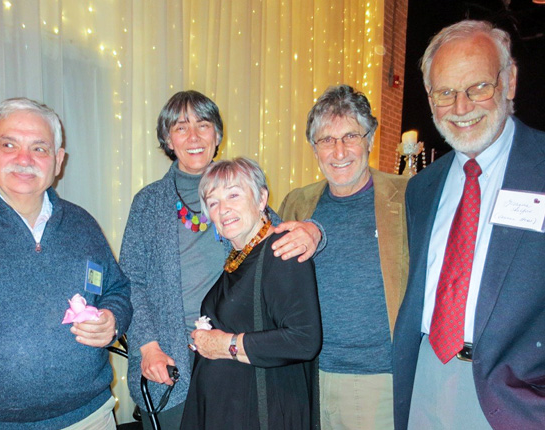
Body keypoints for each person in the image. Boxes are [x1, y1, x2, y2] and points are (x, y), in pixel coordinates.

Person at [119, 90, 323, 429]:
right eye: (181, 127)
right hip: (170, 362)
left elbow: (275, 235)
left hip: (237, 367)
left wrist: (315, 231)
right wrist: (148, 346)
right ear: (168, 139)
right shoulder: (148, 203)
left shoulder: (239, 186)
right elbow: (131, 282)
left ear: (217, 134)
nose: (195, 136)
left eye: (204, 124)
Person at [393, 20, 545, 430]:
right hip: (426, 376)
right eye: (445, 92)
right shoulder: (422, 188)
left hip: (519, 398)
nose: (461, 108)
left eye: (478, 86)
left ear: (509, 81)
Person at [0, 98, 132, 429]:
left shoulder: (82, 224)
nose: (24, 159)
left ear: (58, 161)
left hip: (90, 418)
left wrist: (113, 320)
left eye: (39, 148)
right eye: (9, 144)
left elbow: (116, 287)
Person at [279, 84, 409, 429]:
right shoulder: (297, 203)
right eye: (326, 140)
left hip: (377, 380)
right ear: (313, 148)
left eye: (350, 136)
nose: (339, 152)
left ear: (370, 138)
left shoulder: (407, 197)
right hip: (309, 377)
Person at [180, 157, 322, 429]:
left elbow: (304, 339)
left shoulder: (282, 251)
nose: (223, 209)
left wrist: (227, 345)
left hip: (262, 414)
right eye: (213, 202)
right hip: (231, 410)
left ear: (261, 199)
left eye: (233, 194)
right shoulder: (240, 257)